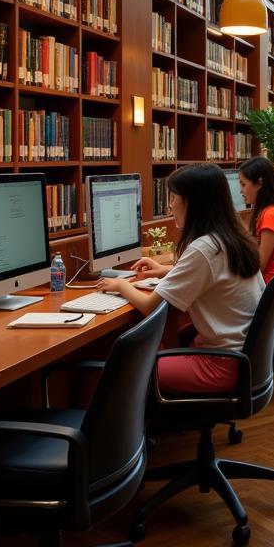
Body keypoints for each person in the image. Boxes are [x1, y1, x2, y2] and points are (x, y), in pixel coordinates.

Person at [96, 163, 264, 394]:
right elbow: (213, 274)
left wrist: (122, 285)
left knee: (126, 369)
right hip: (243, 355)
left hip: (221, 365)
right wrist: (169, 271)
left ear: (192, 202)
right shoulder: (231, 238)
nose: (170, 205)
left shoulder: (204, 248)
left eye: (174, 197)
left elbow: (149, 306)